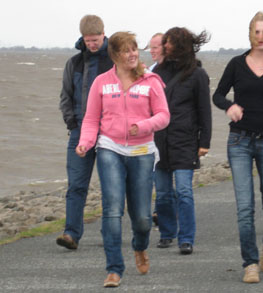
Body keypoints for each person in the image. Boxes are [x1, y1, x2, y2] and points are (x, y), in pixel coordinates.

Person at [76, 31, 170, 287]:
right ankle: (114, 269)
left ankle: (140, 246)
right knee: (112, 209)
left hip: (142, 151)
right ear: (115, 56)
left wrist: (144, 125)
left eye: (135, 49)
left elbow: (163, 115)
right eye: (126, 51)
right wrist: (85, 143)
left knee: (141, 217)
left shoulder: (151, 81)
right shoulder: (101, 83)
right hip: (109, 148)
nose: (132, 55)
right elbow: (91, 118)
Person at [213, 11, 263, 283]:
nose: (260, 37)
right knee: (245, 207)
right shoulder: (236, 64)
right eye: (256, 32)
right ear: (250, 34)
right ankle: (250, 262)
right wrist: (229, 106)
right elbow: (218, 94)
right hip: (239, 142)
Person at [153, 27, 212, 255]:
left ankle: (186, 238)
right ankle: (167, 233)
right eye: (165, 42)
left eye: (170, 43)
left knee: (184, 192)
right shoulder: (158, 72)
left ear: (182, 46)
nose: (166, 46)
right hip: (159, 140)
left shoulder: (197, 75)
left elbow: (204, 110)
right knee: (164, 193)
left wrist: (204, 142)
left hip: (185, 141)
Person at [57, 15, 113, 250]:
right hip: (80, 131)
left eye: (96, 39)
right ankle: (71, 234)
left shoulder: (114, 61)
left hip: (110, 132)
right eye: (88, 40)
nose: (92, 44)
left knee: (111, 186)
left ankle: (110, 235)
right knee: (76, 185)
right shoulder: (74, 63)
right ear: (83, 38)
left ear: (104, 34)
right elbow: (65, 96)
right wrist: (72, 124)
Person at [147, 32, 164, 226]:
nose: (152, 50)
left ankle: (162, 209)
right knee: (154, 171)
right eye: (150, 47)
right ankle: (157, 210)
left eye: (156, 47)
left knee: (164, 172)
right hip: (151, 128)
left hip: (168, 128)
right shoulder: (150, 70)